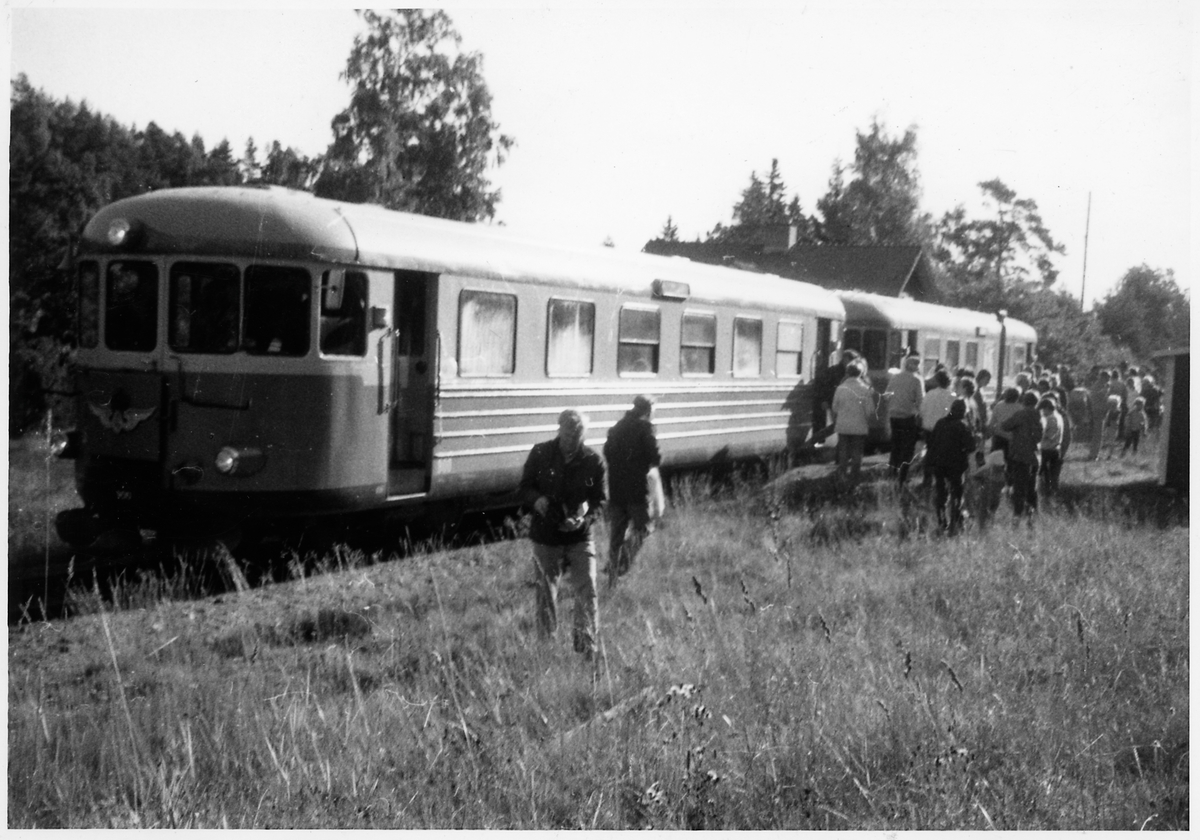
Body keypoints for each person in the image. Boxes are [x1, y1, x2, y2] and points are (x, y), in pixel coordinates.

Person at [519, 409, 607, 658]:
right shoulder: (540, 453)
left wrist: (583, 517)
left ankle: (586, 648)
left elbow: (598, 499)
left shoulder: (592, 461)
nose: (571, 441)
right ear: (559, 430)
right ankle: (546, 648)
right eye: (567, 435)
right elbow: (524, 487)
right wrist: (537, 500)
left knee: (587, 589)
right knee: (546, 593)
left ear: (583, 435)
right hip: (546, 535)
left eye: (576, 437)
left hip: (579, 536)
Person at [603, 395, 662, 583]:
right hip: (637, 491)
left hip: (617, 489)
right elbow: (655, 458)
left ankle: (612, 576)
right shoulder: (646, 428)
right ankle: (623, 561)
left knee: (616, 535)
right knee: (644, 527)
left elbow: (608, 454)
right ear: (648, 410)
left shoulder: (616, 428)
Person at [925, 398, 977, 534]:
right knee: (957, 493)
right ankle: (957, 522)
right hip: (955, 465)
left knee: (941, 494)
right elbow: (971, 446)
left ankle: (942, 522)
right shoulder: (961, 426)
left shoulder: (940, 423)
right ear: (963, 412)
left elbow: (931, 443)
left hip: (938, 464)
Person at [831, 361, 874, 487]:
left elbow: (835, 408)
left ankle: (842, 475)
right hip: (859, 426)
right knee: (857, 452)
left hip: (843, 425)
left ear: (847, 373)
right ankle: (854, 477)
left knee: (843, 451)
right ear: (861, 373)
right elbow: (870, 410)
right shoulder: (865, 389)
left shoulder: (840, 388)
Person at [1002, 391, 1043, 522]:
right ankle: (1032, 516)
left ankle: (1017, 516)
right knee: (1032, 489)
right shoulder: (1039, 415)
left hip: (1020, 456)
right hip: (1035, 456)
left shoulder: (1021, 414)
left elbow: (1006, 425)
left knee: (1019, 488)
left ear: (1024, 401)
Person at [884, 352, 924, 486]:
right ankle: (903, 476)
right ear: (916, 367)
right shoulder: (916, 380)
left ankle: (891, 472)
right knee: (907, 448)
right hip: (908, 417)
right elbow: (920, 401)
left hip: (894, 416)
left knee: (896, 446)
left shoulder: (895, 377)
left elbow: (886, 396)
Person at [812, 350, 857, 443]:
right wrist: (824, 400)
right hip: (834, 402)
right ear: (845, 359)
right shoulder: (834, 371)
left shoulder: (847, 372)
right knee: (839, 426)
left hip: (841, 404)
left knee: (839, 426)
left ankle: (817, 441)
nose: (853, 363)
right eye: (851, 360)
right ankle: (815, 441)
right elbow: (824, 386)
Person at [1037, 397, 1064, 497]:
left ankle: (1045, 497)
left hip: (1047, 450)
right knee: (1053, 478)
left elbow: (1050, 435)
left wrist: (1038, 435)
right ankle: (1052, 497)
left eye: (1043, 409)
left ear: (1047, 408)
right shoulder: (1059, 416)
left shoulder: (1050, 419)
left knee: (1043, 476)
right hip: (1056, 449)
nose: (1042, 412)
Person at [1087, 370, 1112, 460]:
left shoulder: (1103, 386)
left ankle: (1094, 453)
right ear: (1103, 377)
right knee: (1098, 434)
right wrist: (1104, 392)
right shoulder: (1097, 386)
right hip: (1098, 411)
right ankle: (1093, 455)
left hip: (1102, 411)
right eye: (1108, 377)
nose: (1109, 379)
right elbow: (1093, 396)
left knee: (1099, 434)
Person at [1100, 394, 1122, 459]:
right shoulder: (1110, 411)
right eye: (1110, 404)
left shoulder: (1117, 411)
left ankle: (1109, 455)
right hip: (1109, 426)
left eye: (1113, 404)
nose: (1111, 406)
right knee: (1105, 440)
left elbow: (1112, 419)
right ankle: (1104, 453)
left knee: (1111, 442)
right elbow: (1107, 419)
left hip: (1113, 427)